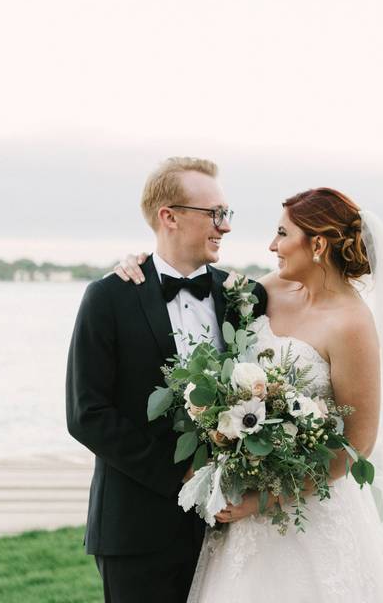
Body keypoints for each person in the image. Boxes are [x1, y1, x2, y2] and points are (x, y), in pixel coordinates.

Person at [114, 187, 383, 602]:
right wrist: (137, 266)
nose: (271, 245)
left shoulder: (352, 324)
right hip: (241, 524)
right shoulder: (267, 290)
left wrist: (262, 502)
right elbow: (192, 284)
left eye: (282, 234)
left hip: (308, 518)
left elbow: (357, 445)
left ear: (317, 244)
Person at [66, 157, 268, 603]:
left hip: (232, 526)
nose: (225, 226)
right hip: (136, 529)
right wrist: (182, 475)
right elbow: (87, 414)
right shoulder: (108, 298)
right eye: (214, 214)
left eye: (226, 214)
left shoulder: (246, 297)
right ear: (169, 216)